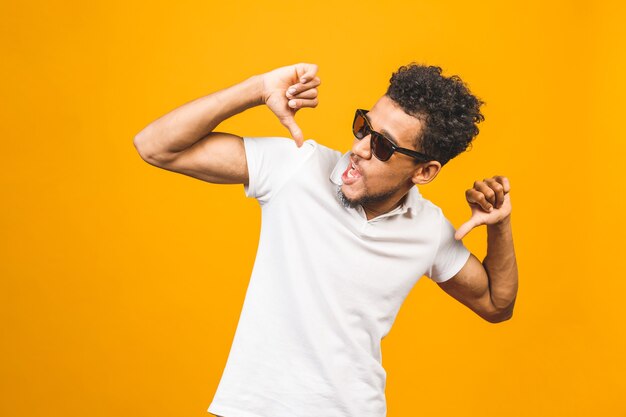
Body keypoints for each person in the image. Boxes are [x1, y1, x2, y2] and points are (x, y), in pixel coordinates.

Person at [133, 62, 518, 417]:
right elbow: (154, 146)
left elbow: (496, 304)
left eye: (382, 146)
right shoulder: (296, 167)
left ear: (425, 172)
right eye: (362, 127)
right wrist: (257, 89)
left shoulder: (427, 229)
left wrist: (499, 226)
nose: (359, 148)